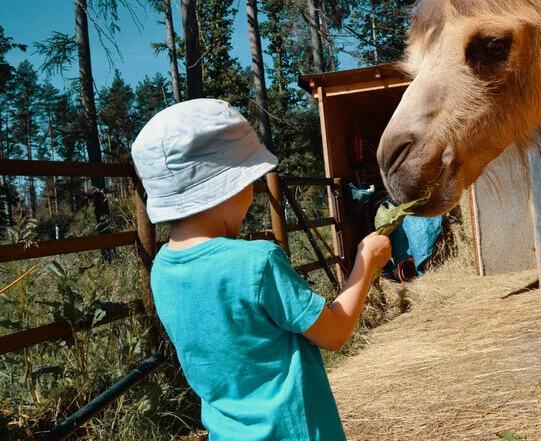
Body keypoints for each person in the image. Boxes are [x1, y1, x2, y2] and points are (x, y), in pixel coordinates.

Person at [132, 98, 391, 441]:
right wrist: (365, 264)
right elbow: (334, 334)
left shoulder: (161, 271)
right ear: (230, 185)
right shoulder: (257, 262)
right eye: (250, 182)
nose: (251, 194)